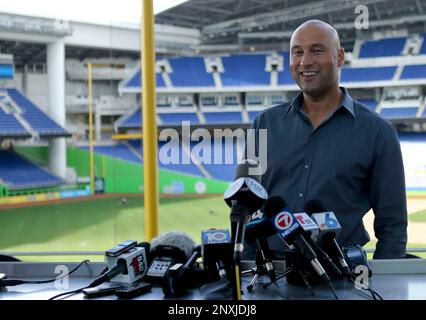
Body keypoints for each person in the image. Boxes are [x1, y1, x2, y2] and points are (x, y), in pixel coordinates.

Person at [247, 20, 407, 259]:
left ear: (340, 57)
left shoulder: (378, 132)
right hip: (269, 276)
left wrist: (385, 284)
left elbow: (392, 224)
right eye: (297, 52)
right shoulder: (264, 124)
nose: (305, 61)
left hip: (343, 277)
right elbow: (246, 207)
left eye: (317, 50)